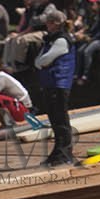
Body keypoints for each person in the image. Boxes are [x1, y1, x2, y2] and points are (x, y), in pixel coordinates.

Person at [34, 9, 76, 166]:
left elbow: (43, 61)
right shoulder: (50, 40)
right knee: (54, 120)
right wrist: (39, 63)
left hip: (59, 84)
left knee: (61, 120)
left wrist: (40, 63)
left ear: (56, 24)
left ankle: (65, 153)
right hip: (49, 83)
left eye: (49, 22)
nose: (46, 25)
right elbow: (38, 60)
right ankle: (57, 151)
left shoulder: (61, 40)